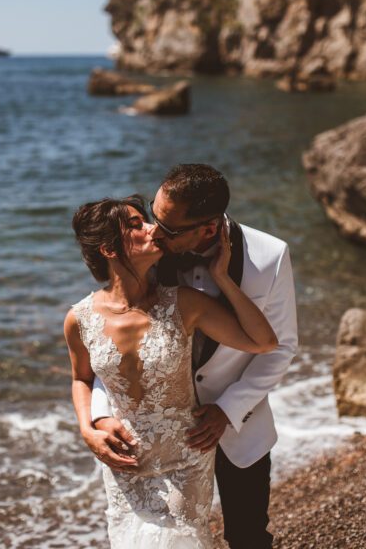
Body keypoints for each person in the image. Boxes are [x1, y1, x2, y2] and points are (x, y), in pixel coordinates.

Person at [90, 165, 298, 549]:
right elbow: (110, 347)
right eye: (153, 214)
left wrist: (228, 409)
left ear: (207, 228)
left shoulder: (270, 256)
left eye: (167, 227)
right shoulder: (148, 256)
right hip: (161, 437)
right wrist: (97, 416)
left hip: (240, 428)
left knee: (248, 536)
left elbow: (280, 347)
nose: (154, 230)